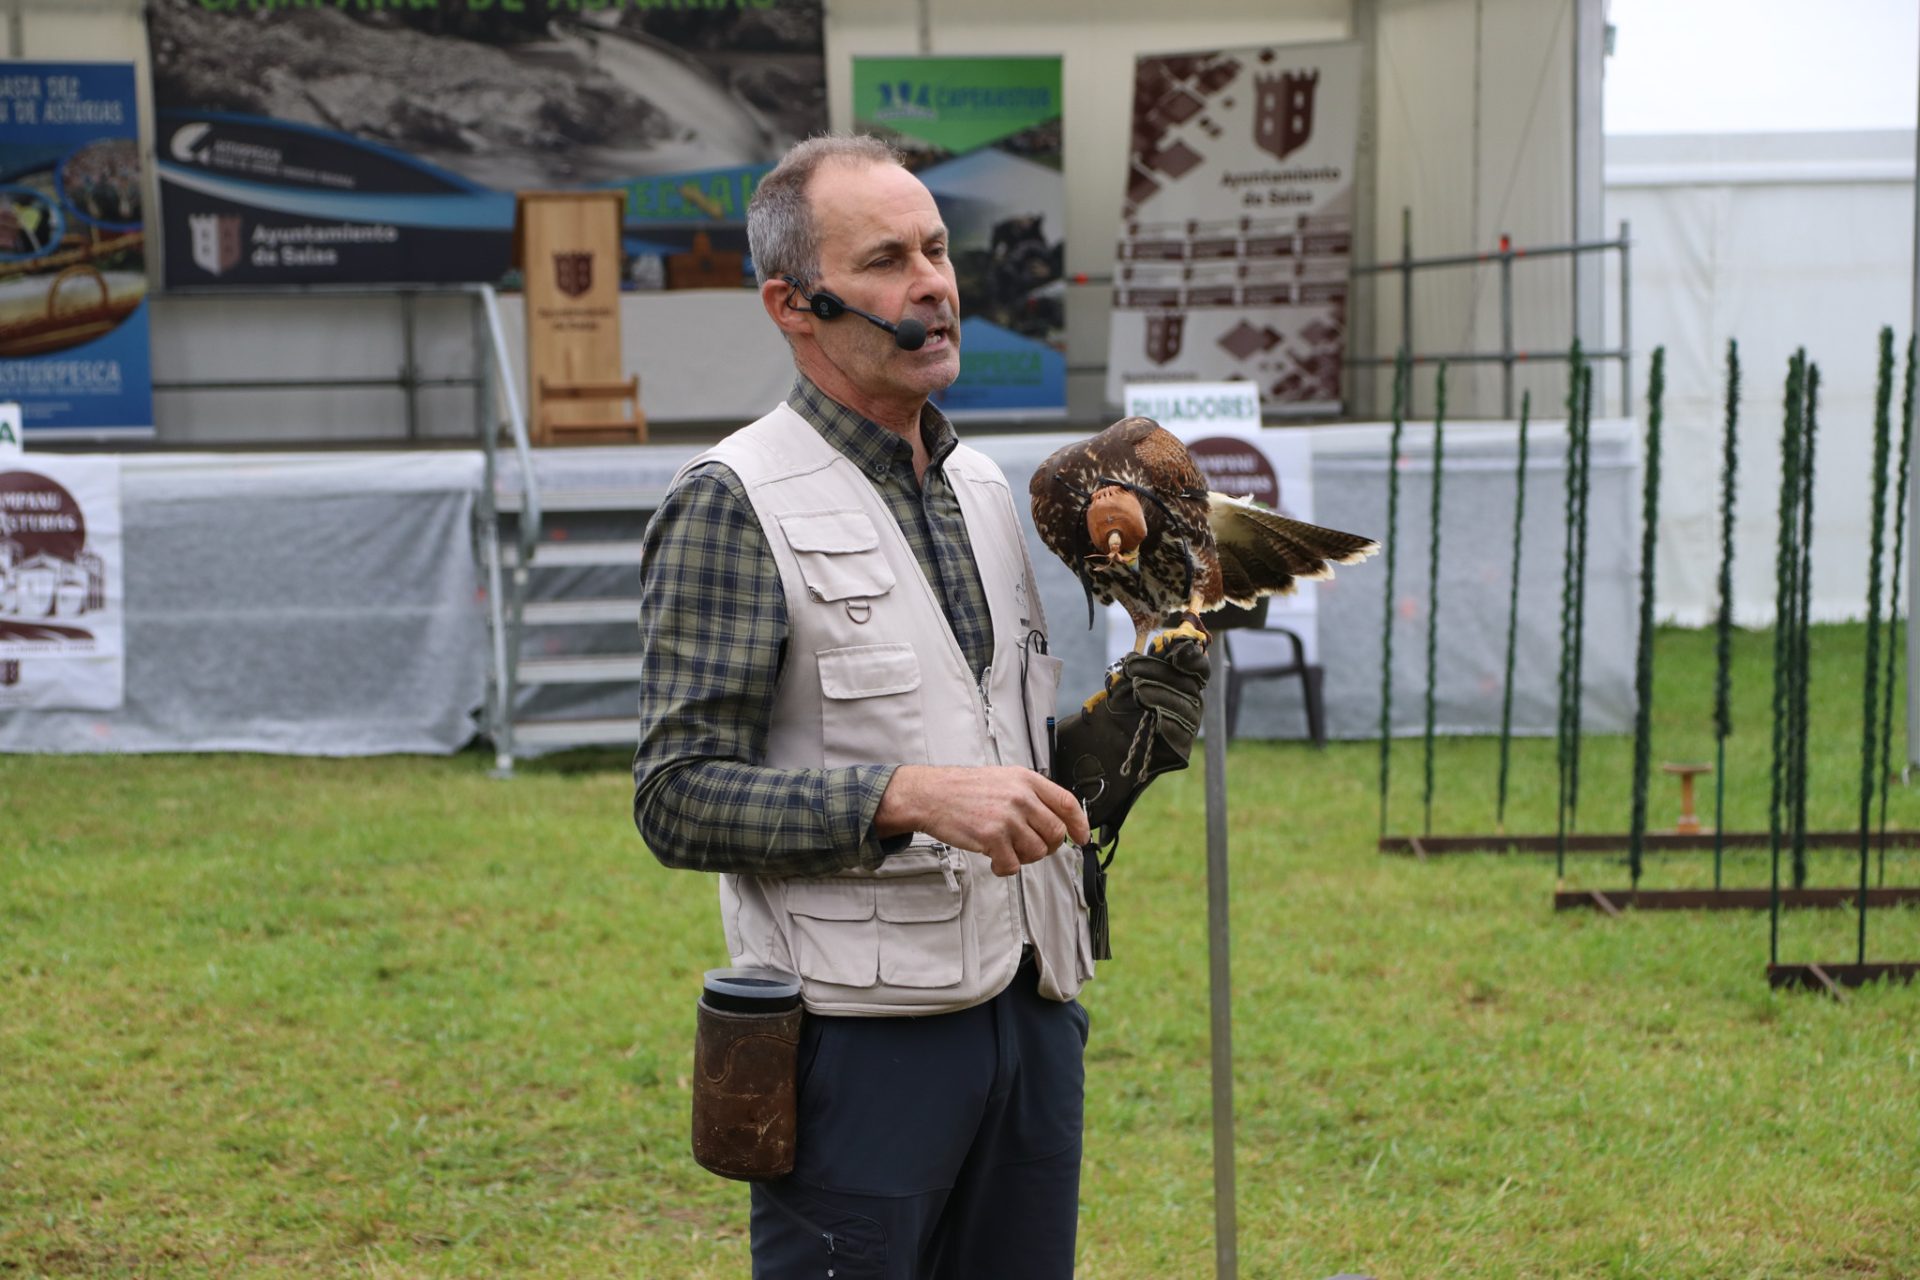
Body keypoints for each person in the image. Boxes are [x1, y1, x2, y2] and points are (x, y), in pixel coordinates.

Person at [633, 133, 1207, 1279]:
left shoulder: (990, 488)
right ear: (795, 305)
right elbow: (677, 796)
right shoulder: (734, 500)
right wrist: (906, 796)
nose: (933, 283)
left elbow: (995, 750)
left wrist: (1131, 719)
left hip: (1034, 1007)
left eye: (938, 249)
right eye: (890, 259)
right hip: (858, 1040)